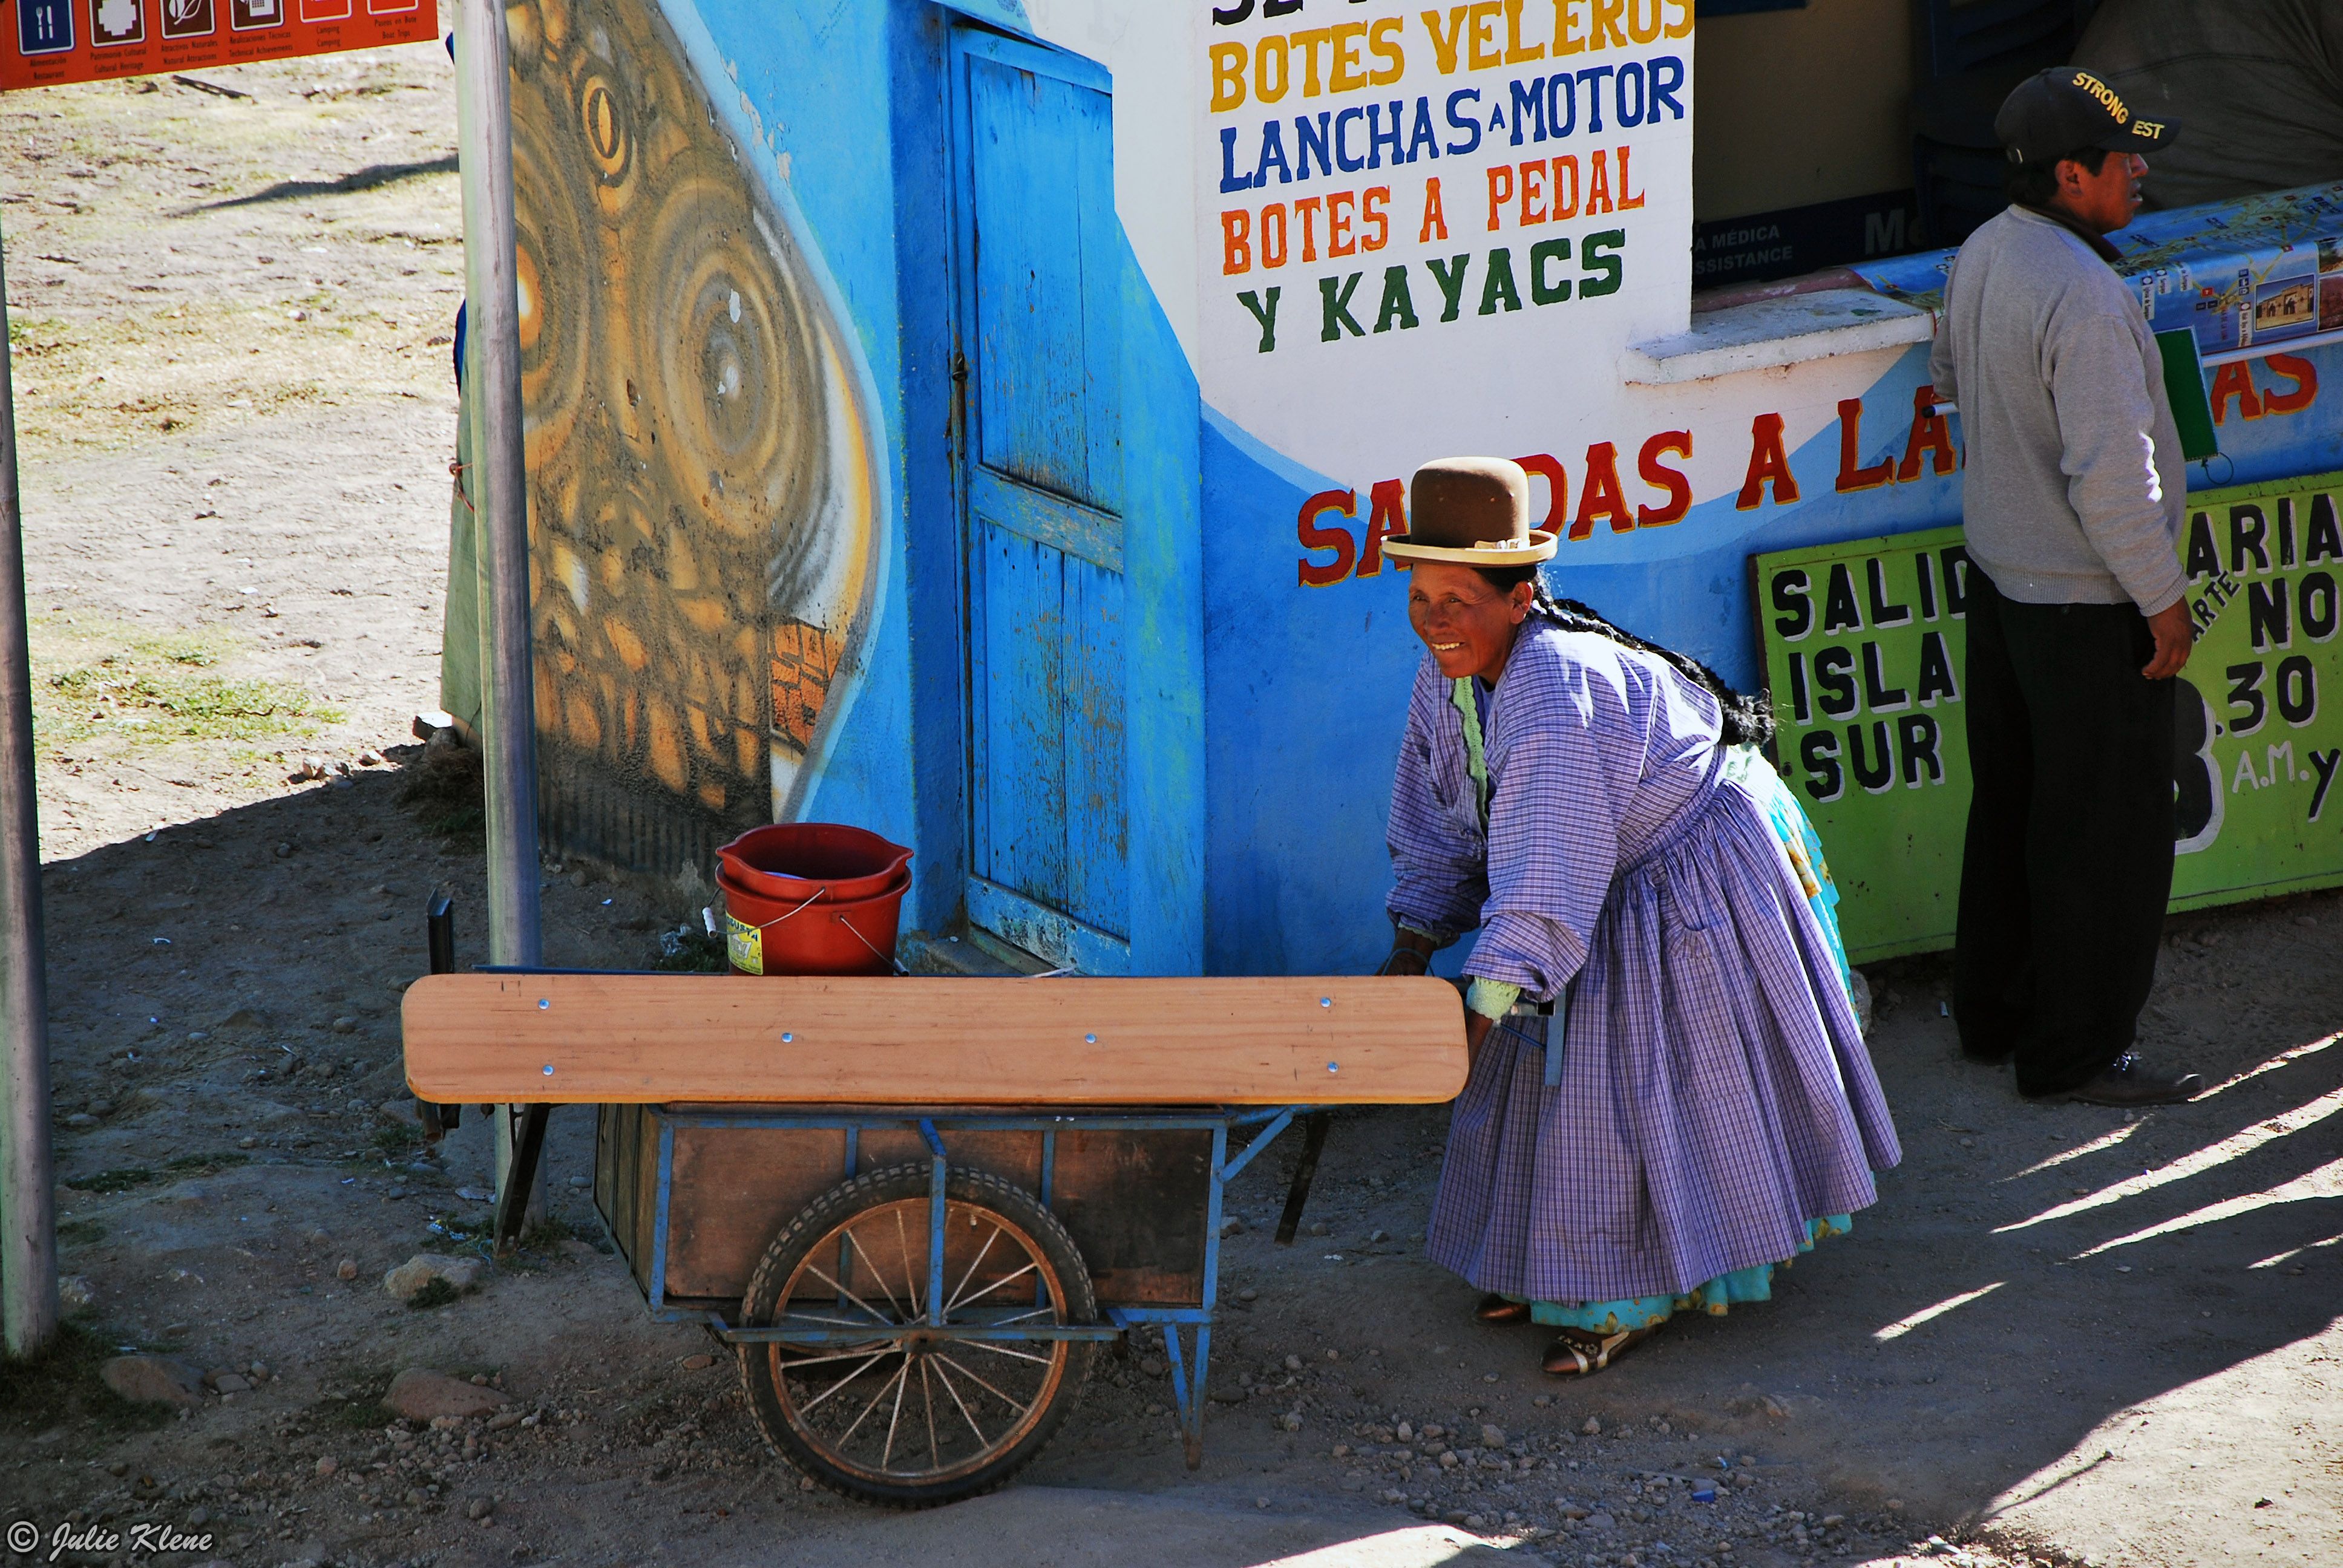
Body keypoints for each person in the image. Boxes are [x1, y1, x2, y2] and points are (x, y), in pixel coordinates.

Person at [1376, 457, 1901, 1376]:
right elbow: (1440, 817)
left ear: (1521, 598)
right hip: (1598, 861)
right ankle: (1551, 1264)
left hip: (1695, 857)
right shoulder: (1447, 674)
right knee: (1550, 1060)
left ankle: (1629, 1294)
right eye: (1421, 598)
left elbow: (1541, 896)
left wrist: (1468, 1026)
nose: (1436, 621)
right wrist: (1413, 942)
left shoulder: (1553, 691)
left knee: (1636, 1077)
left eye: (1458, 600)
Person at [1930, 68, 2203, 1108]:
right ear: (2068, 175)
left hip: (2004, 587)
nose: (2139, 172)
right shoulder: (2083, 295)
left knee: (2015, 808)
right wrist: (2162, 598)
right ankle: (2076, 1054)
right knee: (2104, 840)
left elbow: (1950, 382)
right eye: (2122, 158)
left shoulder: (1983, 252)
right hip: (2088, 605)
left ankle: (1996, 1017)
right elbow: (2113, 479)